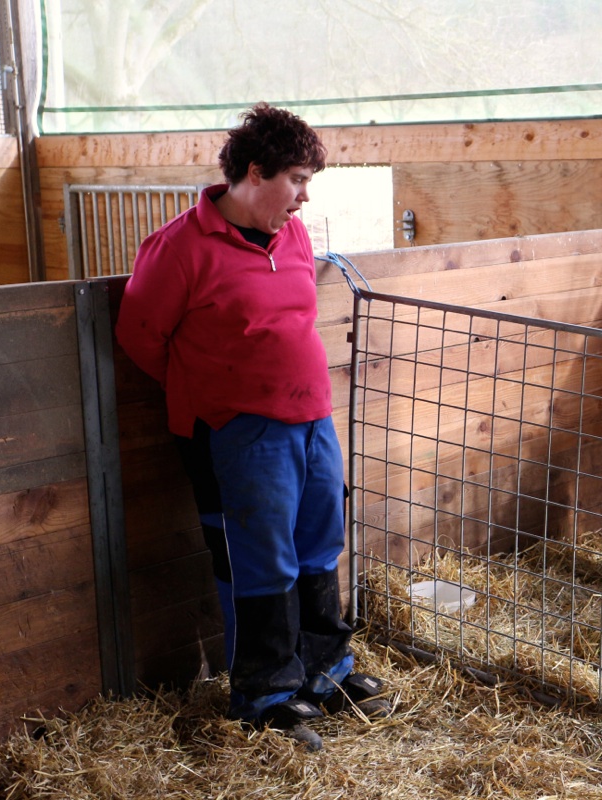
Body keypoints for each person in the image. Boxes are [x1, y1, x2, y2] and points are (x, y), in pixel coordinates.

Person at [116, 102, 386, 751]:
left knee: (319, 543)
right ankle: (264, 695)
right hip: (238, 430)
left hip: (311, 418)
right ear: (255, 172)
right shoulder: (179, 246)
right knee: (259, 557)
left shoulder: (293, 235)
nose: (304, 196)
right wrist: (214, 393)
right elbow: (139, 334)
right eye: (296, 180)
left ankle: (324, 671)